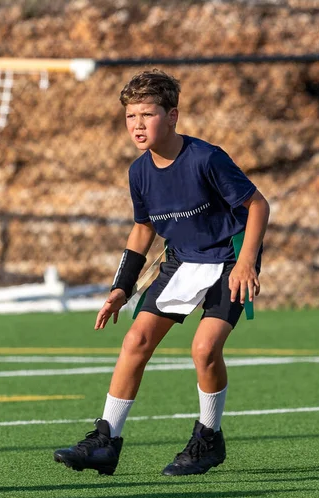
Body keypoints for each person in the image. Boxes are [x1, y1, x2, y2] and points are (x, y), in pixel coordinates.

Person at [54, 69, 270, 476]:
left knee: (205, 349)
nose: (137, 125)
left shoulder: (207, 158)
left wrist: (246, 262)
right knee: (135, 339)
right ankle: (106, 440)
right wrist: (122, 287)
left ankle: (208, 438)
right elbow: (143, 229)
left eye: (147, 115)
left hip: (228, 258)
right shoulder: (139, 172)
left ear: (172, 116)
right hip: (182, 260)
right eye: (130, 116)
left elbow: (258, 205)